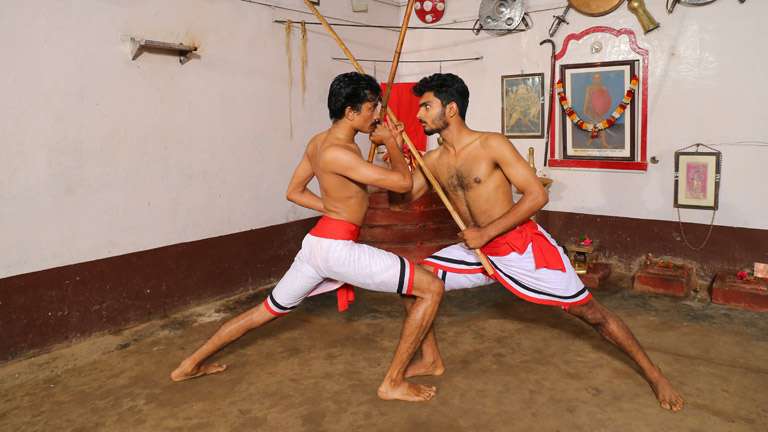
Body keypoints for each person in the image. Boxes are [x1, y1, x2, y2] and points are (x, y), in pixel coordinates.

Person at [390, 73, 684, 411]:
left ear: (451, 109)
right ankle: (430, 359)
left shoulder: (490, 144)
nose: (419, 114)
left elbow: (536, 195)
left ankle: (655, 375)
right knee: (413, 285)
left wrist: (486, 232)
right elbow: (400, 201)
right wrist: (393, 147)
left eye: (426, 106)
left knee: (593, 314)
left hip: (519, 246)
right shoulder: (431, 161)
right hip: (477, 249)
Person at [170, 72, 445, 402]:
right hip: (336, 250)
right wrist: (390, 143)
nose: (377, 115)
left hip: (318, 245)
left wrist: (334, 207)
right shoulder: (339, 153)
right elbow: (402, 184)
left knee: (264, 311)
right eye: (372, 107)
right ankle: (392, 383)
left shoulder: (320, 143)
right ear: (350, 112)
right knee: (431, 288)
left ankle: (188, 365)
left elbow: (295, 191)